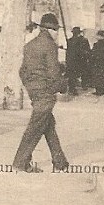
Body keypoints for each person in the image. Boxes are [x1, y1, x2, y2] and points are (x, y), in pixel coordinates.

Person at [12, 13, 70, 173]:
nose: (57, 33)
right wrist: (63, 86)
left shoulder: (29, 45)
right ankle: (20, 162)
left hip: (34, 91)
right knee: (35, 127)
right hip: (45, 92)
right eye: (56, 30)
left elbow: (22, 71)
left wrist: (31, 87)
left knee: (48, 125)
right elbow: (53, 74)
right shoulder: (50, 45)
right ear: (50, 30)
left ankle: (60, 162)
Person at [65, 27, 91, 95]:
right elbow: (88, 50)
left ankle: (72, 88)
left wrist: (67, 60)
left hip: (73, 60)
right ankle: (84, 85)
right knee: (83, 72)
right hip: (82, 60)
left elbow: (68, 52)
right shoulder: (84, 40)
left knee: (72, 75)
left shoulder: (70, 40)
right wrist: (88, 57)